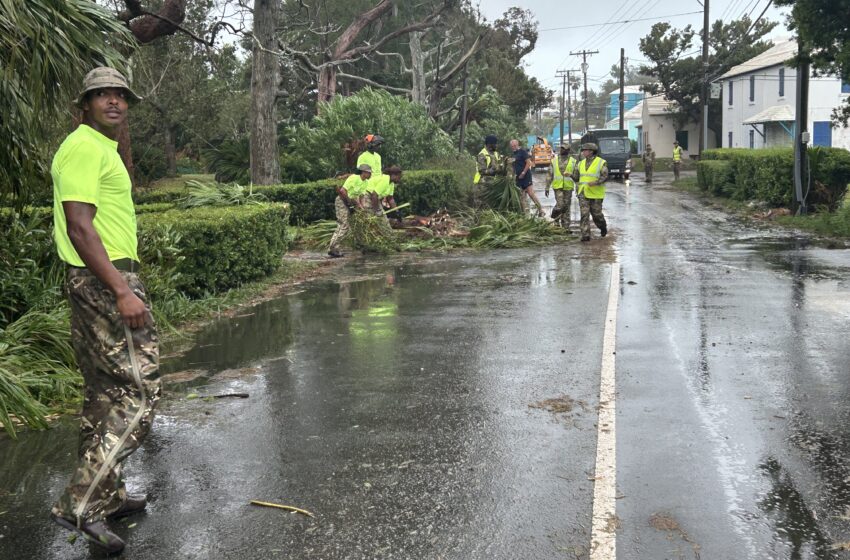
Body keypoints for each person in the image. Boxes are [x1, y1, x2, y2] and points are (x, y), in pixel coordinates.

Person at [49, 67, 160, 555]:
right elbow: (79, 226)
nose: (113, 101)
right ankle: (81, 502)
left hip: (100, 279)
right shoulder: (83, 146)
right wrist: (120, 289)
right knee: (139, 394)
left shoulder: (101, 149)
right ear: (85, 104)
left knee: (103, 394)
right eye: (101, 95)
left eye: (120, 95)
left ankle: (107, 496)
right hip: (105, 279)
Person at [328, 164, 371, 257]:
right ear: (363, 172)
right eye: (368, 172)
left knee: (350, 226)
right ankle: (333, 248)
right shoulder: (354, 178)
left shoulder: (365, 182)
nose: (370, 174)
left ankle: (333, 247)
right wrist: (350, 204)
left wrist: (362, 207)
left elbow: (361, 196)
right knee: (344, 225)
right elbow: (343, 191)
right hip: (342, 201)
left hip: (351, 203)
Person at [571, 142, 609, 242]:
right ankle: (585, 235)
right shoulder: (580, 163)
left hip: (596, 193)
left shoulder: (601, 162)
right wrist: (570, 174)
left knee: (597, 215)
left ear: (591, 151)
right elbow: (577, 178)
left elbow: (605, 176)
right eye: (582, 150)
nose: (583, 152)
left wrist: (596, 182)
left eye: (585, 150)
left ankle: (602, 226)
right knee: (584, 214)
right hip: (583, 192)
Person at [510, 138, 545, 217]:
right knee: (521, 195)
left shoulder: (522, 152)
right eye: (512, 146)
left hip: (526, 176)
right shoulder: (513, 154)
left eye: (515, 145)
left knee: (530, 193)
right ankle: (525, 214)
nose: (513, 147)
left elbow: (529, 163)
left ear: (517, 144)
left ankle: (541, 210)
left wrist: (523, 172)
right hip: (518, 177)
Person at [546, 144, 577, 229]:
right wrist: (547, 187)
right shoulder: (554, 161)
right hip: (558, 186)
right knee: (560, 205)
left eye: (564, 149)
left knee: (566, 206)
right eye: (561, 148)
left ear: (568, 151)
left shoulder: (573, 161)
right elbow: (549, 174)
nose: (562, 150)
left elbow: (577, 176)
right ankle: (555, 217)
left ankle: (566, 227)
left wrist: (572, 177)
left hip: (568, 187)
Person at [472, 135, 502, 208]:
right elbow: (481, 171)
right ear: (490, 144)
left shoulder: (496, 154)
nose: (496, 145)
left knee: (489, 206)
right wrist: (492, 171)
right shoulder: (482, 154)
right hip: (481, 185)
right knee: (479, 207)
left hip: (491, 184)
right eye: (495, 144)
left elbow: (499, 166)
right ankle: (477, 219)